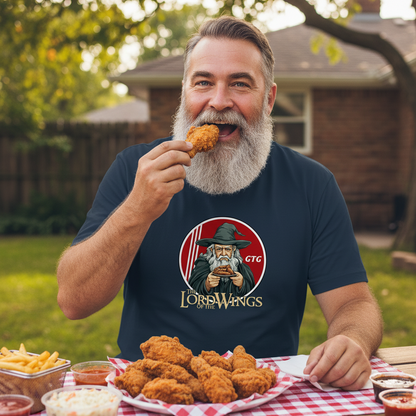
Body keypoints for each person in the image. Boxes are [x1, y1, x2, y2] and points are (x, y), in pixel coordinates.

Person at [56, 16, 383, 391]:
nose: (219, 101)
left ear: (269, 99)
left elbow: (353, 303)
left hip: (262, 391)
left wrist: (353, 340)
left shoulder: (312, 184)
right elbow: (73, 301)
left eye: (240, 84)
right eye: (203, 82)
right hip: (151, 390)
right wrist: (136, 210)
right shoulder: (135, 169)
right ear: (185, 94)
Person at [188, 222, 256, 295]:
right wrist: (206, 285)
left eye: (227, 249)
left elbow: (253, 292)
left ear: (234, 250)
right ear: (212, 250)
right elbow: (190, 289)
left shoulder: (245, 269)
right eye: (219, 249)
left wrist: (242, 284)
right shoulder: (201, 266)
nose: (223, 254)